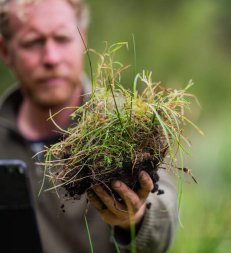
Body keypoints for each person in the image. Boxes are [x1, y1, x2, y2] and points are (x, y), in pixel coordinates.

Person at [0, 0, 178, 252]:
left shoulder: (129, 124)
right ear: (6, 51)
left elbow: (165, 215)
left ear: (83, 39)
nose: (51, 57)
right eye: (32, 43)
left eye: (62, 38)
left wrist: (134, 219)